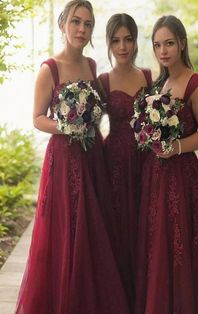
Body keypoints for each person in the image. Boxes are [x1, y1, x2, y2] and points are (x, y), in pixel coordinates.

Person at [15, 1, 129, 313]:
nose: (81, 29)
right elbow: (38, 118)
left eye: (88, 24)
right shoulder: (49, 68)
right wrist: (68, 125)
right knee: (67, 227)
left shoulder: (92, 66)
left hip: (93, 156)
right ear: (63, 23)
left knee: (93, 227)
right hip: (64, 158)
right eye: (76, 22)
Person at [134, 15, 198, 314]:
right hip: (156, 175)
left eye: (168, 43)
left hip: (182, 175)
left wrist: (175, 147)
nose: (163, 50)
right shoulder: (159, 83)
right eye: (157, 45)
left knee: (180, 243)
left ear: (181, 43)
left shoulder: (196, 83)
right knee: (158, 241)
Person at [98, 13, 152, 313]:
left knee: (145, 224)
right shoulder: (102, 81)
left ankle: (146, 292)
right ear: (108, 43)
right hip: (114, 162)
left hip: (146, 158)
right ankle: (119, 296)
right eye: (116, 40)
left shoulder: (148, 75)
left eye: (128, 39)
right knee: (118, 226)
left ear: (135, 41)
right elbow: (90, 124)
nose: (123, 46)